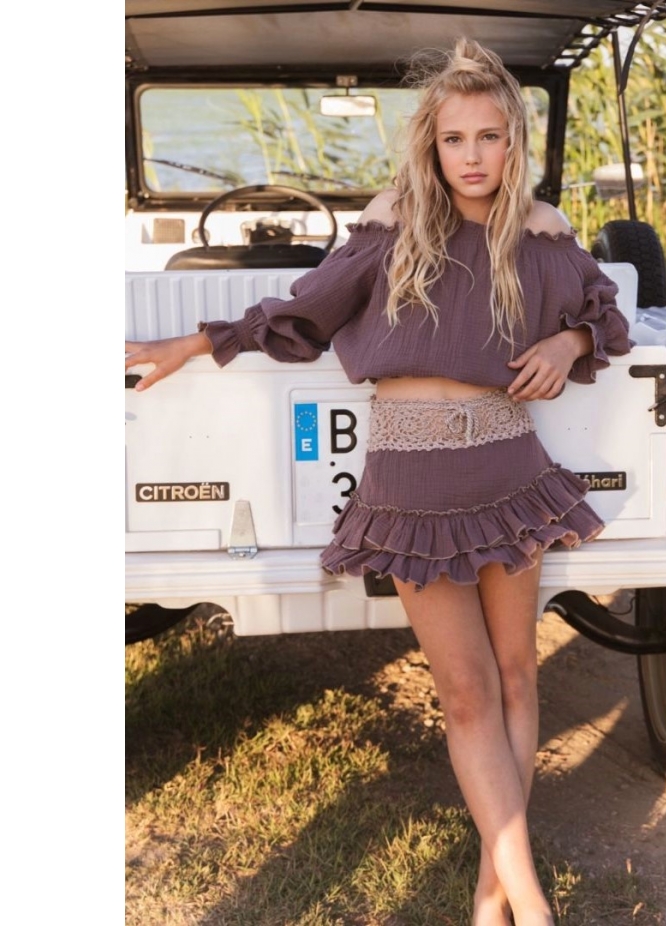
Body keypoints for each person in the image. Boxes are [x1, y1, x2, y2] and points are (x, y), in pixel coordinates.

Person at [125, 38, 632, 926]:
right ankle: (533, 905)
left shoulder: (541, 231)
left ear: (513, 142)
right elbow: (301, 313)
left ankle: (494, 901)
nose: (472, 156)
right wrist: (193, 342)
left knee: (518, 678)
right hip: (411, 487)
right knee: (468, 693)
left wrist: (569, 340)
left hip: (510, 468)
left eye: (489, 136)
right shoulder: (393, 225)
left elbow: (607, 315)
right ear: (430, 146)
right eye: (454, 139)